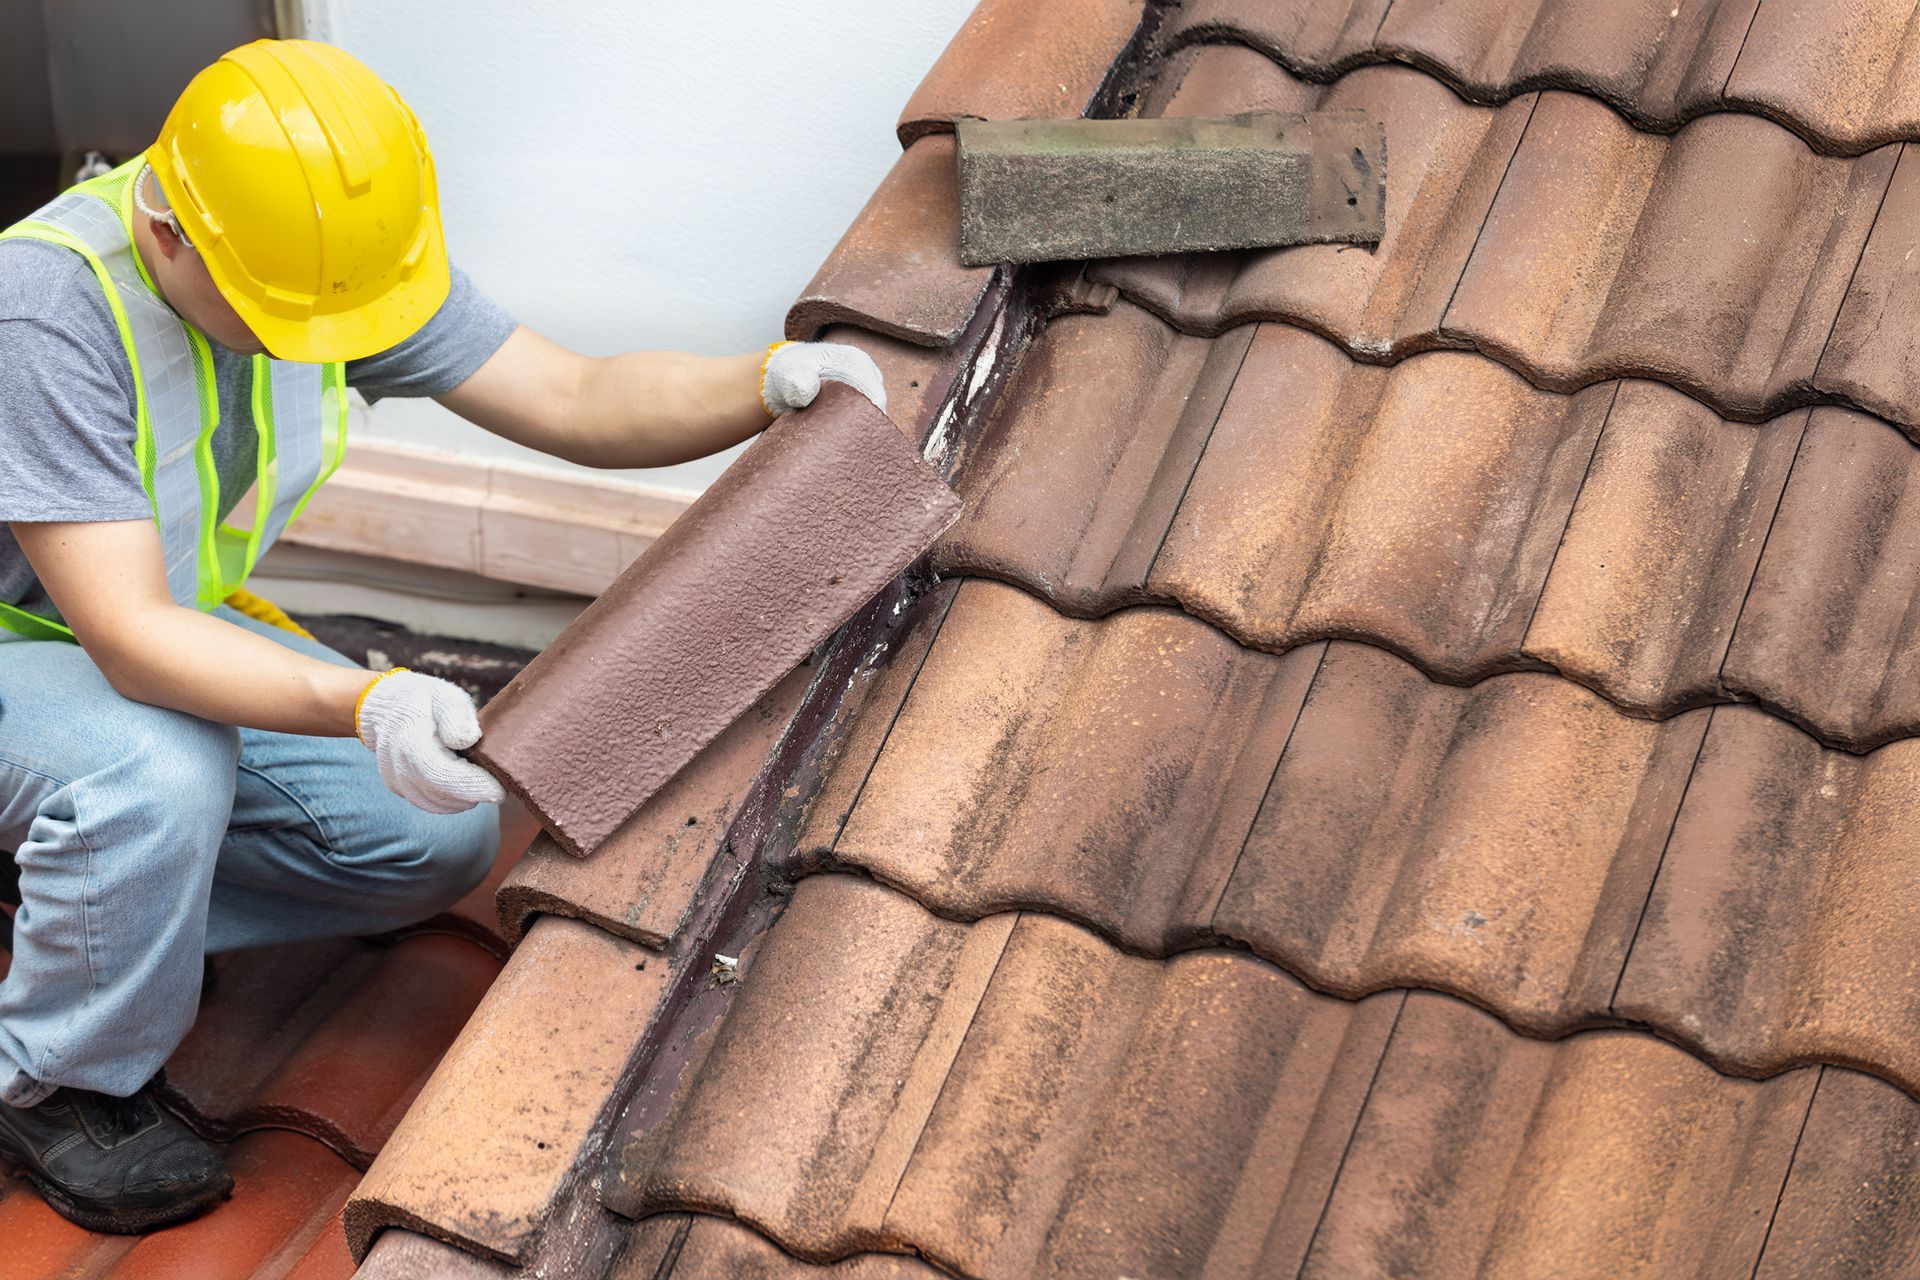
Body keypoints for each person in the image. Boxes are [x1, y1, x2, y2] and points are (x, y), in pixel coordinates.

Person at [0, 38, 884, 1233]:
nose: (318, 340)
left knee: (436, 829)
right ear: (169, 235)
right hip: (71, 641)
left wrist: (768, 381)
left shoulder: (313, 254)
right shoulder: (48, 309)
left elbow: (573, 396)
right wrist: (361, 702)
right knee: (157, 770)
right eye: (284, 317)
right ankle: (58, 1076)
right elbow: (130, 639)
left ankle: (104, 900)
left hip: (124, 628)